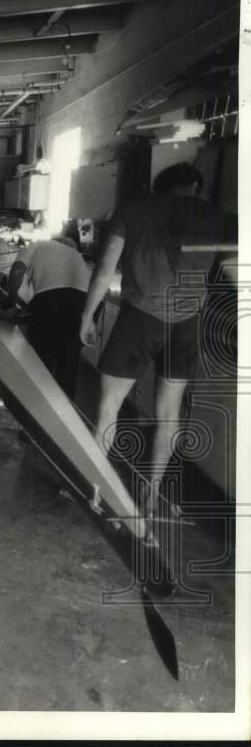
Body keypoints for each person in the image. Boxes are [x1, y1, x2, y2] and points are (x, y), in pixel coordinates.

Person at [79, 162, 233, 519]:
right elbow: (238, 272)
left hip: (140, 318)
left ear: (158, 185)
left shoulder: (134, 208)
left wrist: (88, 316)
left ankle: (93, 489)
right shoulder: (214, 215)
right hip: (187, 323)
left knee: (108, 408)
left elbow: (104, 270)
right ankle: (150, 496)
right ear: (195, 185)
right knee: (169, 415)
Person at [8, 233, 91, 399]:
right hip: (84, 304)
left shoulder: (37, 243)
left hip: (51, 301)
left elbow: (17, 271)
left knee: (39, 362)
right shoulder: (77, 257)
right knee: (68, 367)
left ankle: (36, 412)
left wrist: (14, 302)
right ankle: (64, 419)